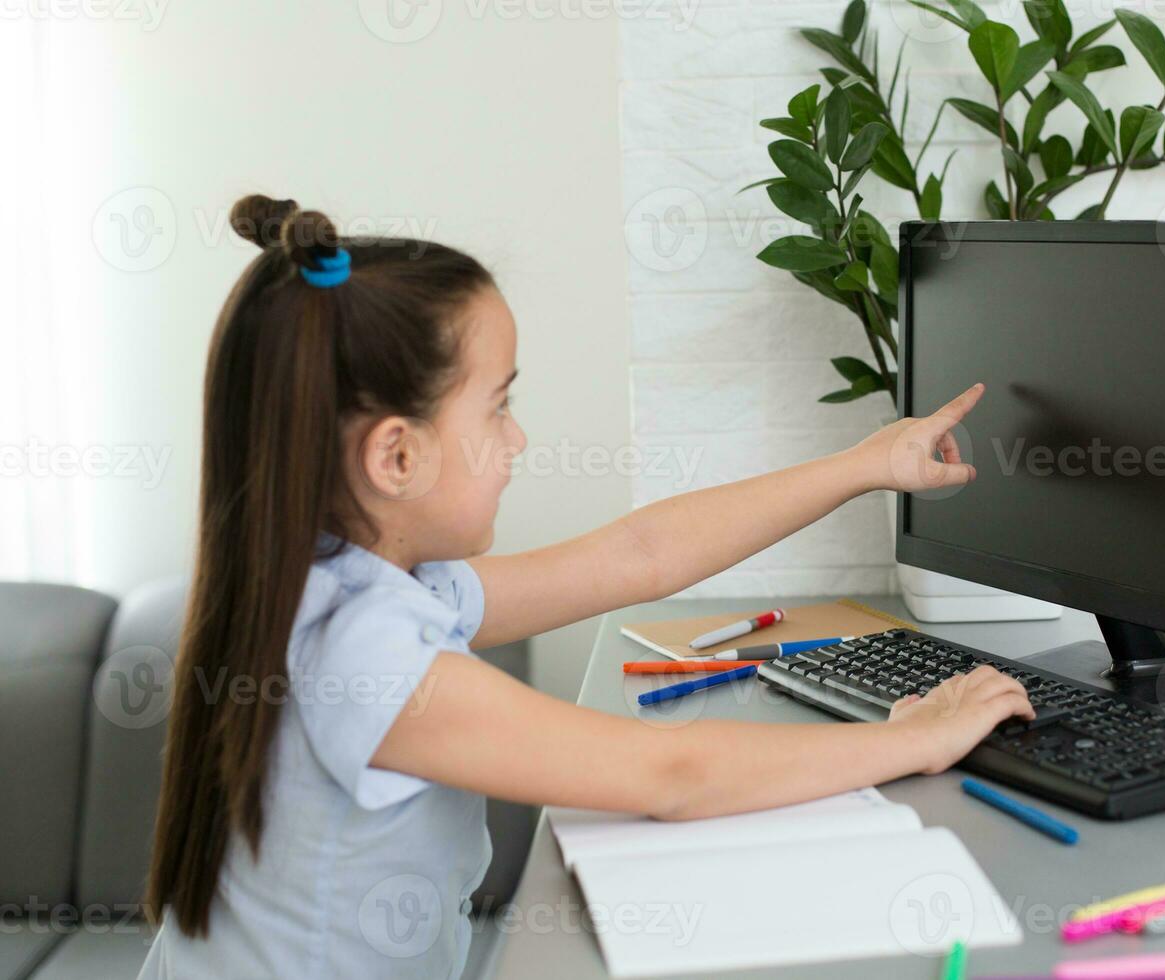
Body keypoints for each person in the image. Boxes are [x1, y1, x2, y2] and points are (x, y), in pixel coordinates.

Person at [138, 195, 1034, 978]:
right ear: (397, 454)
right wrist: (913, 736)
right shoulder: (362, 652)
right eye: (498, 406)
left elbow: (639, 555)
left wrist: (868, 461)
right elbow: (674, 774)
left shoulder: (350, 584)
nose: (519, 440)